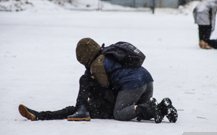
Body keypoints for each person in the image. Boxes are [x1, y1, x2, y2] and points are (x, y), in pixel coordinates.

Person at [19, 38, 178, 123]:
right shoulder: (108, 53)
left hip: (132, 85)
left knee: (120, 113)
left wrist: (90, 80)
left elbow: (106, 86)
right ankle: (162, 108)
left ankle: (151, 108)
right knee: (135, 110)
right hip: (147, 80)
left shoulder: (97, 66)